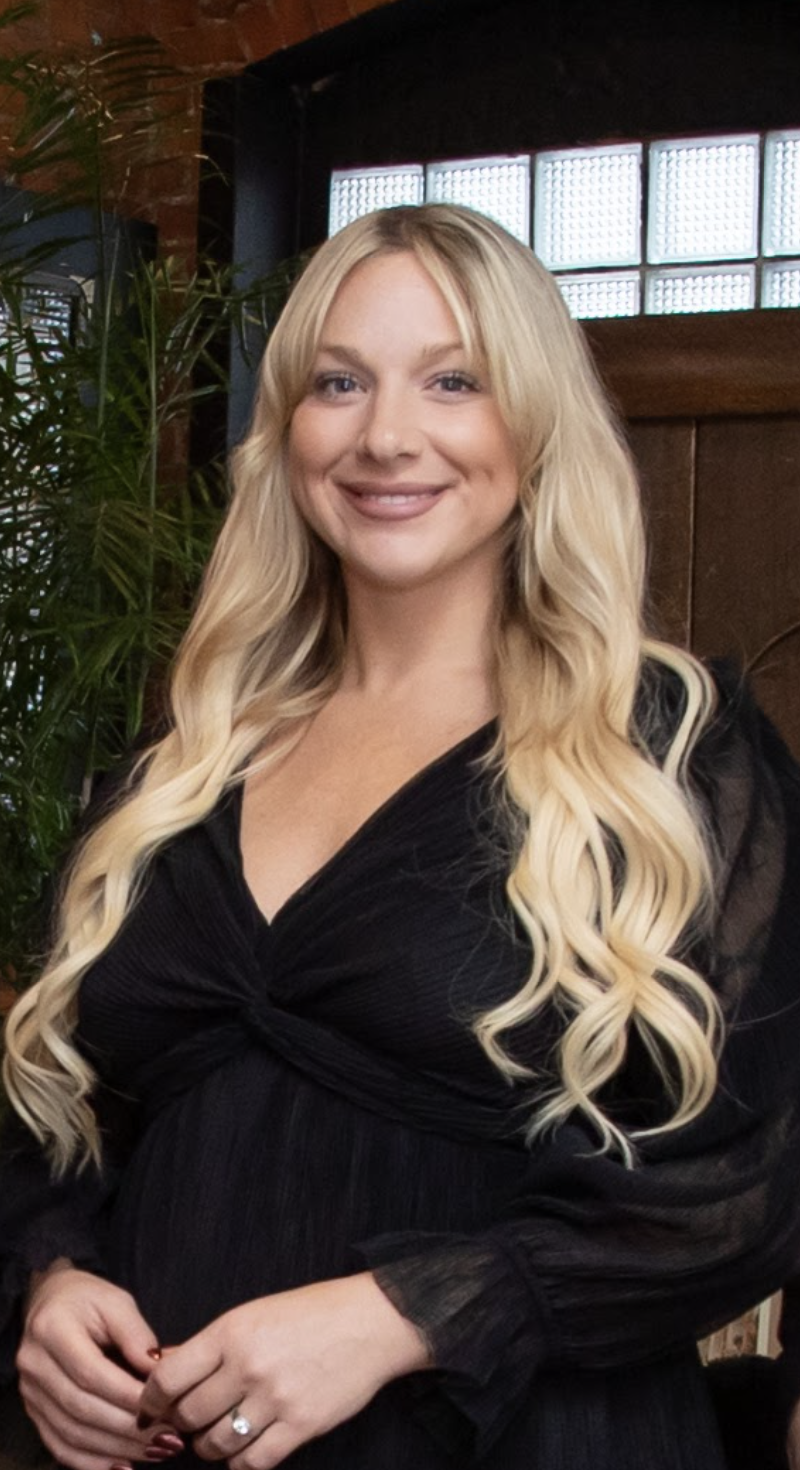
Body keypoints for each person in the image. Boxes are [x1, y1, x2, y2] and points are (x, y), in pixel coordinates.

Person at [1, 202, 800, 1470]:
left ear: (532, 427)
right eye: (338, 382)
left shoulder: (671, 757)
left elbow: (748, 1186)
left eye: (451, 380)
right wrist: (44, 1284)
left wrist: (400, 1316)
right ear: (287, 430)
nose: (385, 435)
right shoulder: (176, 769)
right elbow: (54, 1120)